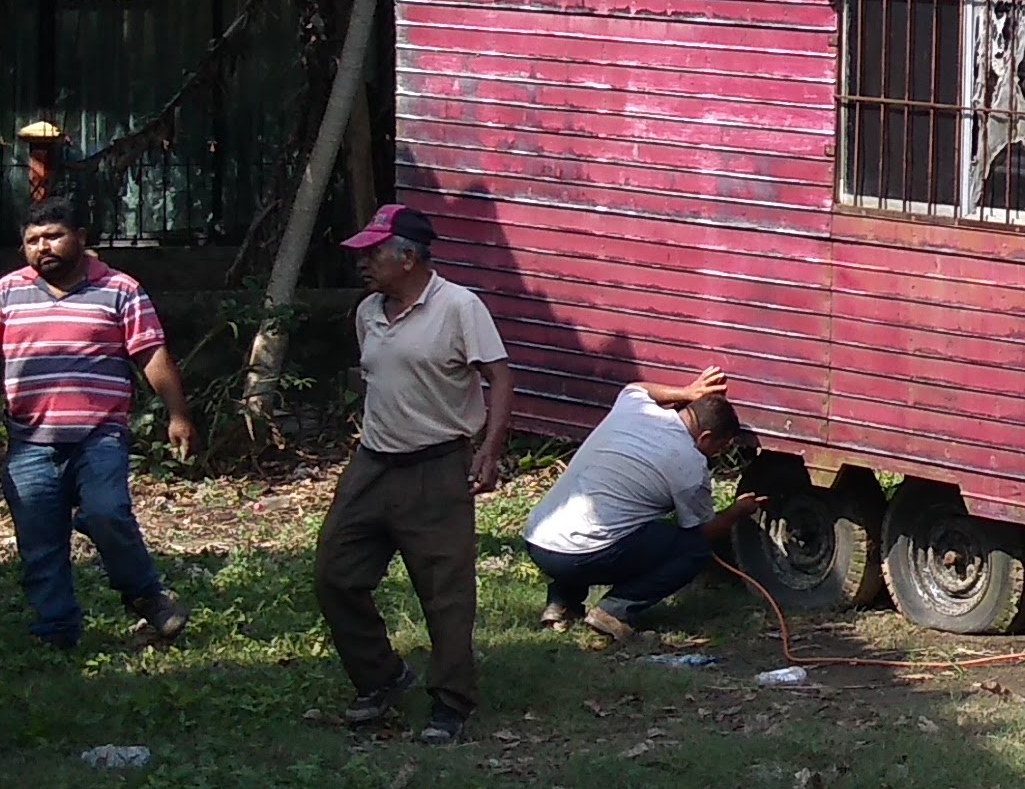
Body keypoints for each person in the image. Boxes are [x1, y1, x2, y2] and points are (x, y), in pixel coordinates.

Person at [315, 204, 511, 745]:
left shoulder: (458, 307)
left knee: (445, 592)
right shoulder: (367, 313)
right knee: (335, 575)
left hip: (437, 464)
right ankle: (382, 677)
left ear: (409, 257)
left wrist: (489, 451)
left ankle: (451, 702)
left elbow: (499, 375)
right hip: (374, 463)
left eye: (373, 253)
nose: (363, 264)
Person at [0, 200, 196, 653]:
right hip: (30, 441)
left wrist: (178, 413)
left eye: (53, 236)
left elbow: (151, 355)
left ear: (82, 237)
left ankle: (147, 595)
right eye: (32, 241)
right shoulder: (5, 294)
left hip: (100, 436)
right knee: (40, 541)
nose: (42, 247)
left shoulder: (120, 289)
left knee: (108, 512)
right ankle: (56, 632)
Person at [521, 366, 766, 643]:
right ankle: (613, 611)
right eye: (721, 447)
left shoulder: (636, 409)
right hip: (582, 555)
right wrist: (737, 511)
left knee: (608, 521)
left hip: (538, 540)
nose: (719, 454)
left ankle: (561, 604)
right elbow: (702, 532)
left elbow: (636, 387)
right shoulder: (689, 465)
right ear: (706, 437)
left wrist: (688, 391)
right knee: (693, 551)